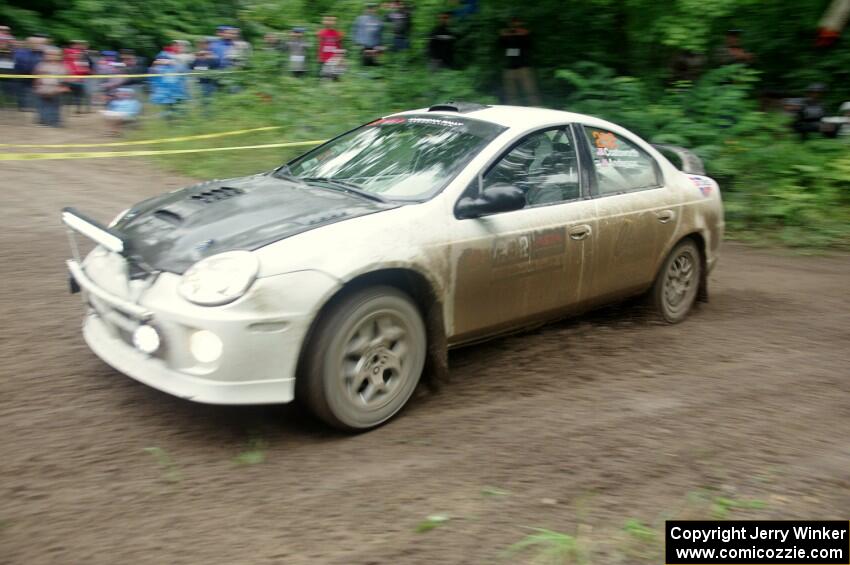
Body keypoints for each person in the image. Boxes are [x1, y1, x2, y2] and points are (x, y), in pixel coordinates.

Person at [499, 17, 540, 106]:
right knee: (511, 95)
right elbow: (501, 46)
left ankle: (536, 109)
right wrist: (504, 36)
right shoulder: (507, 35)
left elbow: (530, 45)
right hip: (509, 68)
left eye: (517, 24)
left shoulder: (525, 34)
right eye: (513, 24)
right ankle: (515, 111)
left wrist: (523, 34)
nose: (514, 26)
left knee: (530, 92)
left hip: (524, 67)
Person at [32, 46, 68, 127]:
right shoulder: (40, 65)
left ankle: (55, 122)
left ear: (59, 56)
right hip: (42, 89)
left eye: (54, 54)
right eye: (49, 54)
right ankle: (44, 121)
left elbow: (64, 78)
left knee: (55, 106)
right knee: (42, 106)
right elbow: (37, 77)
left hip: (55, 89)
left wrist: (62, 87)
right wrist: (36, 86)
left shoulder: (61, 66)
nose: (51, 56)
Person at [13, 36, 43, 111]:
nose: (36, 44)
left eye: (38, 43)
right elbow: (22, 63)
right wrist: (32, 70)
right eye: (34, 43)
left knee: (33, 91)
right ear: (29, 43)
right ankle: (22, 107)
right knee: (22, 91)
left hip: (35, 77)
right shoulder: (20, 52)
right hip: (22, 76)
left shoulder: (40, 53)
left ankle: (31, 106)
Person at [192, 38, 220, 113]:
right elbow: (192, 66)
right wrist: (196, 57)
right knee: (201, 99)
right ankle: (204, 114)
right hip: (200, 81)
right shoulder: (197, 55)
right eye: (200, 44)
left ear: (208, 45)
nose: (202, 45)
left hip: (210, 81)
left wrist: (209, 57)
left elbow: (217, 65)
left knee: (209, 99)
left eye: (204, 44)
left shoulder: (212, 54)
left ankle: (209, 114)